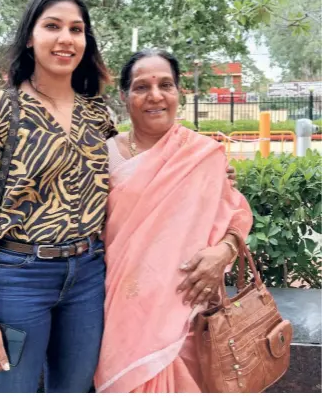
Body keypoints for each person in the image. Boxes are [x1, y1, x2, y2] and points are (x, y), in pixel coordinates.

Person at [0, 0, 117, 393]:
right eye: (53, 26)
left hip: (88, 276)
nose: (66, 38)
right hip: (17, 278)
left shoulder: (97, 114)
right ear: (30, 36)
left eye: (76, 29)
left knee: (75, 390)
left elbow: (130, 181)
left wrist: (203, 170)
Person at [94, 49, 253, 393]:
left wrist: (223, 252)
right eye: (141, 87)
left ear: (179, 92)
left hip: (188, 312)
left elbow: (237, 213)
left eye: (166, 85)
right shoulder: (102, 156)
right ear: (124, 96)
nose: (155, 96)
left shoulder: (202, 155)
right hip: (120, 310)